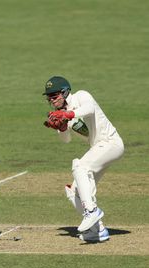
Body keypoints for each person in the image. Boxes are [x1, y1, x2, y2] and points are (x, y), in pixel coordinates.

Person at [43, 76, 124, 242]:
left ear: (65, 92)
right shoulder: (62, 115)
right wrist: (63, 126)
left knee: (79, 166)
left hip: (111, 142)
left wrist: (68, 114)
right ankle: (98, 230)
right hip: (99, 148)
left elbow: (90, 109)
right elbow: (65, 140)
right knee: (73, 190)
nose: (52, 100)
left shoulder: (81, 96)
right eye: (49, 97)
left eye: (55, 96)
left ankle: (92, 211)